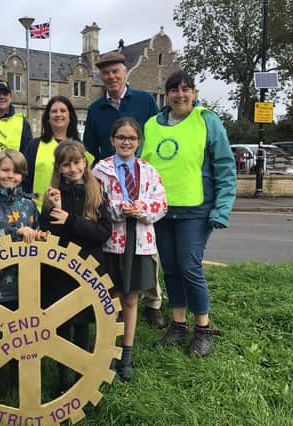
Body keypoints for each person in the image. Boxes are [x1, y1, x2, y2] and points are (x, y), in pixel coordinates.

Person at [141, 70, 236, 357]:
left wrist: (221, 208)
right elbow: (143, 167)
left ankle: (203, 330)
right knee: (169, 268)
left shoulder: (207, 120)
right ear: (166, 94)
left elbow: (224, 165)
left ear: (194, 93)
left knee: (189, 267)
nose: (180, 95)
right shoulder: (151, 124)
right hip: (162, 212)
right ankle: (178, 325)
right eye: (174, 90)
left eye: (186, 90)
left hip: (196, 209)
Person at [82, 51, 165, 328]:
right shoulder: (95, 109)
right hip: (111, 182)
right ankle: (113, 315)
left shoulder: (145, 100)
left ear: (125, 72)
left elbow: (155, 136)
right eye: (106, 73)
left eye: (115, 71)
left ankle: (152, 304)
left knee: (146, 254)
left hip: (142, 181)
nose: (111, 77)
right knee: (114, 264)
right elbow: (90, 150)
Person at [92, 117, 167, 380]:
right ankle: (108, 351)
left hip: (140, 241)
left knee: (131, 298)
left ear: (138, 142)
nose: (126, 142)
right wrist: (117, 209)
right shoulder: (100, 170)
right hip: (113, 241)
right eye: (121, 137)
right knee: (110, 297)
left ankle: (127, 353)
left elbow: (162, 203)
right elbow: (94, 204)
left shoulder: (148, 170)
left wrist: (142, 208)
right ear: (113, 140)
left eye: (132, 138)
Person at [40, 139, 112, 392]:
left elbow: (103, 233)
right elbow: (47, 233)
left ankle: (83, 375)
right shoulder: (54, 194)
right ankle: (63, 379)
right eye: (66, 164)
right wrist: (52, 209)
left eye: (76, 162)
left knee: (82, 324)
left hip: (88, 270)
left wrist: (70, 219)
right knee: (61, 326)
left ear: (85, 162)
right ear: (59, 168)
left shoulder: (97, 193)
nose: (72, 168)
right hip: (59, 273)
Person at [0, 150, 46, 395]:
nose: (10, 176)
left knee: (23, 334)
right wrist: (15, 235)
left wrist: (37, 236)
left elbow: (38, 234)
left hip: (22, 285)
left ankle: (20, 380)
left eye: (16, 171)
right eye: (5, 170)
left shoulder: (29, 204)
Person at [23, 96, 82, 210]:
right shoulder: (34, 145)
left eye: (63, 111)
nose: (58, 114)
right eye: (54, 111)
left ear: (70, 116)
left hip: (72, 214)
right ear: (48, 118)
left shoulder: (81, 146)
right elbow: (25, 179)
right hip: (38, 211)